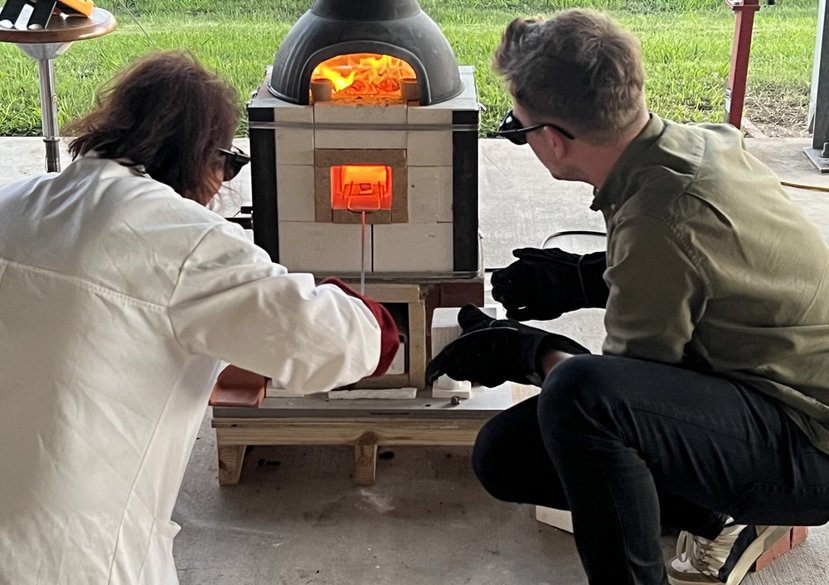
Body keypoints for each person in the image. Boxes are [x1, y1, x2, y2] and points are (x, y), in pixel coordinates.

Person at [426, 9, 829, 585]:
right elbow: (701, 272)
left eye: (518, 128)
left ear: (554, 141)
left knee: (579, 397)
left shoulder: (657, 220)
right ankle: (716, 513)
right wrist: (582, 276)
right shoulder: (702, 145)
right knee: (506, 456)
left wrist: (532, 353)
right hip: (762, 382)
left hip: (809, 443)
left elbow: (618, 399)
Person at [0, 51, 399, 585]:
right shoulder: (182, 240)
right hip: (70, 555)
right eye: (229, 163)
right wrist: (375, 316)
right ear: (200, 155)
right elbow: (331, 345)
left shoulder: (12, 201)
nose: (222, 183)